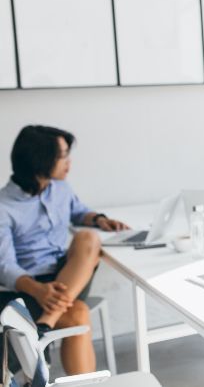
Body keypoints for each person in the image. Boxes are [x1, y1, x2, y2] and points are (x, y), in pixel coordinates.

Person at [0, 125, 129, 374]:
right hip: (26, 288)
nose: (69, 162)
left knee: (88, 238)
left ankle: (43, 326)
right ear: (41, 159)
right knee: (78, 314)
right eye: (63, 156)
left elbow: (78, 212)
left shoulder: (61, 189)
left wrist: (98, 219)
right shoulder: (3, 206)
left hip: (67, 278)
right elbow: (5, 267)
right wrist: (38, 290)